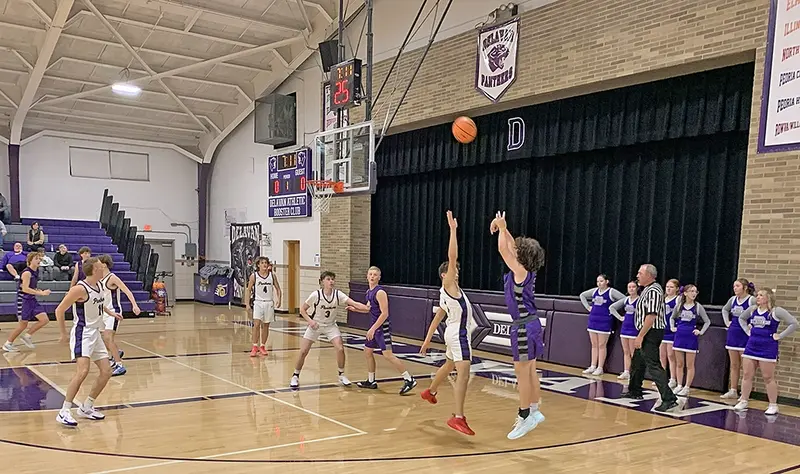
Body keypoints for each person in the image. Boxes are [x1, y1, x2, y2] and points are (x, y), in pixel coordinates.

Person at [490, 211, 546, 440]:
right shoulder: (526, 270)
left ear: (521, 256)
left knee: (522, 373)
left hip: (523, 327)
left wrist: (502, 228)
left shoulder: (520, 271)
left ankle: (524, 415)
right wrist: (503, 229)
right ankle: (534, 410)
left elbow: (504, 250)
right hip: (531, 324)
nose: (515, 249)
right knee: (531, 370)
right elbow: (510, 247)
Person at [419, 210, 476, 436]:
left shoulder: (446, 292)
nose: (457, 271)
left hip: (451, 332)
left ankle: (430, 392)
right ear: (445, 274)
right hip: (458, 334)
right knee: (463, 373)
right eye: (453, 270)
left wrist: (426, 341)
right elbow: (452, 257)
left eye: (457, 270)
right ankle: (458, 417)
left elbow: (437, 317)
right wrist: (453, 230)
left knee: (449, 365)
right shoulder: (449, 284)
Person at [55, 257, 120, 427]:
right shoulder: (79, 289)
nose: (103, 268)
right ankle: (64, 411)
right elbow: (59, 310)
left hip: (95, 334)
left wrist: (111, 313)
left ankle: (87, 407)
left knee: (106, 371)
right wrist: (63, 333)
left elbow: (98, 303)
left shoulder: (98, 286)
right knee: (83, 371)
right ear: (93, 270)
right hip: (82, 333)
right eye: (100, 267)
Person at [290, 271, 369, 389]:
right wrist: (310, 321)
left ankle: (341, 374)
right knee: (303, 351)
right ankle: (295, 375)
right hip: (315, 325)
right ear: (322, 281)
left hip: (331, 325)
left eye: (332, 279)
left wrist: (366, 307)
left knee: (340, 348)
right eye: (328, 279)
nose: (331, 281)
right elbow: (302, 310)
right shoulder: (316, 295)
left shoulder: (338, 294)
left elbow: (354, 303)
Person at [619, 264, 679, 413]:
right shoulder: (646, 289)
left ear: (649, 275)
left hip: (651, 331)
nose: (637, 275)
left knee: (653, 364)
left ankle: (669, 399)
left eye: (640, 273)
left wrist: (640, 336)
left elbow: (651, 316)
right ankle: (634, 389)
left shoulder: (654, 291)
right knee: (637, 360)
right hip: (646, 330)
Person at [348, 267, 417, 394]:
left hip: (381, 328)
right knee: (368, 351)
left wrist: (373, 329)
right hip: (374, 328)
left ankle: (409, 379)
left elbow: (385, 313)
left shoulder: (380, 292)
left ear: (379, 277)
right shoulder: (369, 292)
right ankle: (371, 381)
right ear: (367, 276)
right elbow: (368, 308)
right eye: (370, 274)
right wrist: (356, 309)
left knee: (388, 355)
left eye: (375, 275)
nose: (372, 276)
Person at [735, 288, 798, 415]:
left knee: (768, 377)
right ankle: (743, 400)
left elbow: (794, 323)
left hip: (768, 347)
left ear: (768, 297)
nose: (757, 297)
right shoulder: (752, 309)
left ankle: (773, 405)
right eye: (757, 295)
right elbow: (741, 318)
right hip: (751, 346)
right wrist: (748, 331)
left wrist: (780, 335)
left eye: (761, 295)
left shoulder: (776, 311)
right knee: (747, 375)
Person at [98, 254, 142, 377]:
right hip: (104, 312)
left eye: (98, 263)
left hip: (114, 311)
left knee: (108, 338)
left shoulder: (112, 278)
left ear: (104, 264)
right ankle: (116, 352)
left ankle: (119, 365)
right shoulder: (99, 279)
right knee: (103, 339)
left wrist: (134, 305)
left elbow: (127, 290)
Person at [2, 252, 50, 352]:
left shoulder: (35, 271)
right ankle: (8, 343)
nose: (39, 260)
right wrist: (41, 293)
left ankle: (27, 336)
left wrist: (38, 290)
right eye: (36, 258)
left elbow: (31, 287)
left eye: (39, 259)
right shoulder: (27, 273)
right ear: (30, 261)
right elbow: (25, 289)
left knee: (44, 319)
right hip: (23, 300)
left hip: (32, 299)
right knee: (23, 324)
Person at [669, 284, 710, 396]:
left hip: (691, 338)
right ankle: (679, 385)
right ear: (685, 293)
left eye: (695, 291)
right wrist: (672, 327)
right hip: (679, 337)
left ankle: (687, 387)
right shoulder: (679, 306)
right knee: (679, 363)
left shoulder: (698, 307)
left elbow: (707, 321)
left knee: (690, 364)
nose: (694, 293)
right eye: (691, 291)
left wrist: (700, 331)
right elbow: (672, 318)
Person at [579, 275, 624, 376]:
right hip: (593, 320)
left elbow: (625, 299)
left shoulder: (611, 292)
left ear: (607, 281)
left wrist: (613, 308)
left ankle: (600, 367)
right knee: (594, 345)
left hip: (605, 321)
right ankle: (592, 366)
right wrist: (588, 307)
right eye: (598, 281)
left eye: (601, 281)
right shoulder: (595, 291)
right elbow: (582, 295)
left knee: (601, 345)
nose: (599, 283)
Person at [720, 278, 756, 400]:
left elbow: (758, 313)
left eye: (737, 286)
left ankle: (745, 393)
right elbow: (725, 309)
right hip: (733, 333)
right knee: (734, 365)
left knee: (746, 366)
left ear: (745, 287)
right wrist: (727, 322)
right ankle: (733, 390)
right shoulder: (733, 299)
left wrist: (752, 324)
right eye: (734, 286)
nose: (735, 288)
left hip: (745, 334)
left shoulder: (751, 300)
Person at [244, 257, 282, 357]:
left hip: (269, 303)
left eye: (266, 263)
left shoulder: (272, 276)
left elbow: (278, 288)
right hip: (258, 302)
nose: (264, 264)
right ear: (258, 265)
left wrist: (279, 299)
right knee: (256, 324)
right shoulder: (254, 276)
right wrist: (247, 304)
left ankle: (263, 346)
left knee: (266, 325)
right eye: (262, 263)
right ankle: (254, 346)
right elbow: (248, 290)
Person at [610, 281, 639, 380]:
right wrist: (620, 317)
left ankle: (634, 373)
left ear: (637, 288)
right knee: (626, 352)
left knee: (633, 353)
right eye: (629, 287)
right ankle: (626, 371)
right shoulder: (626, 300)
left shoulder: (640, 300)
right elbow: (612, 307)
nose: (631, 289)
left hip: (634, 329)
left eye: (633, 287)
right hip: (625, 328)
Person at [659, 278, 680, 389]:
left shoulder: (678, 300)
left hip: (672, 331)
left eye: (671, 287)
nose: (668, 289)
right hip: (662, 330)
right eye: (667, 286)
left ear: (677, 289)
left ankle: (673, 379)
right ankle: (662, 378)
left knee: (671, 356)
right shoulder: (662, 299)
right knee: (662, 356)